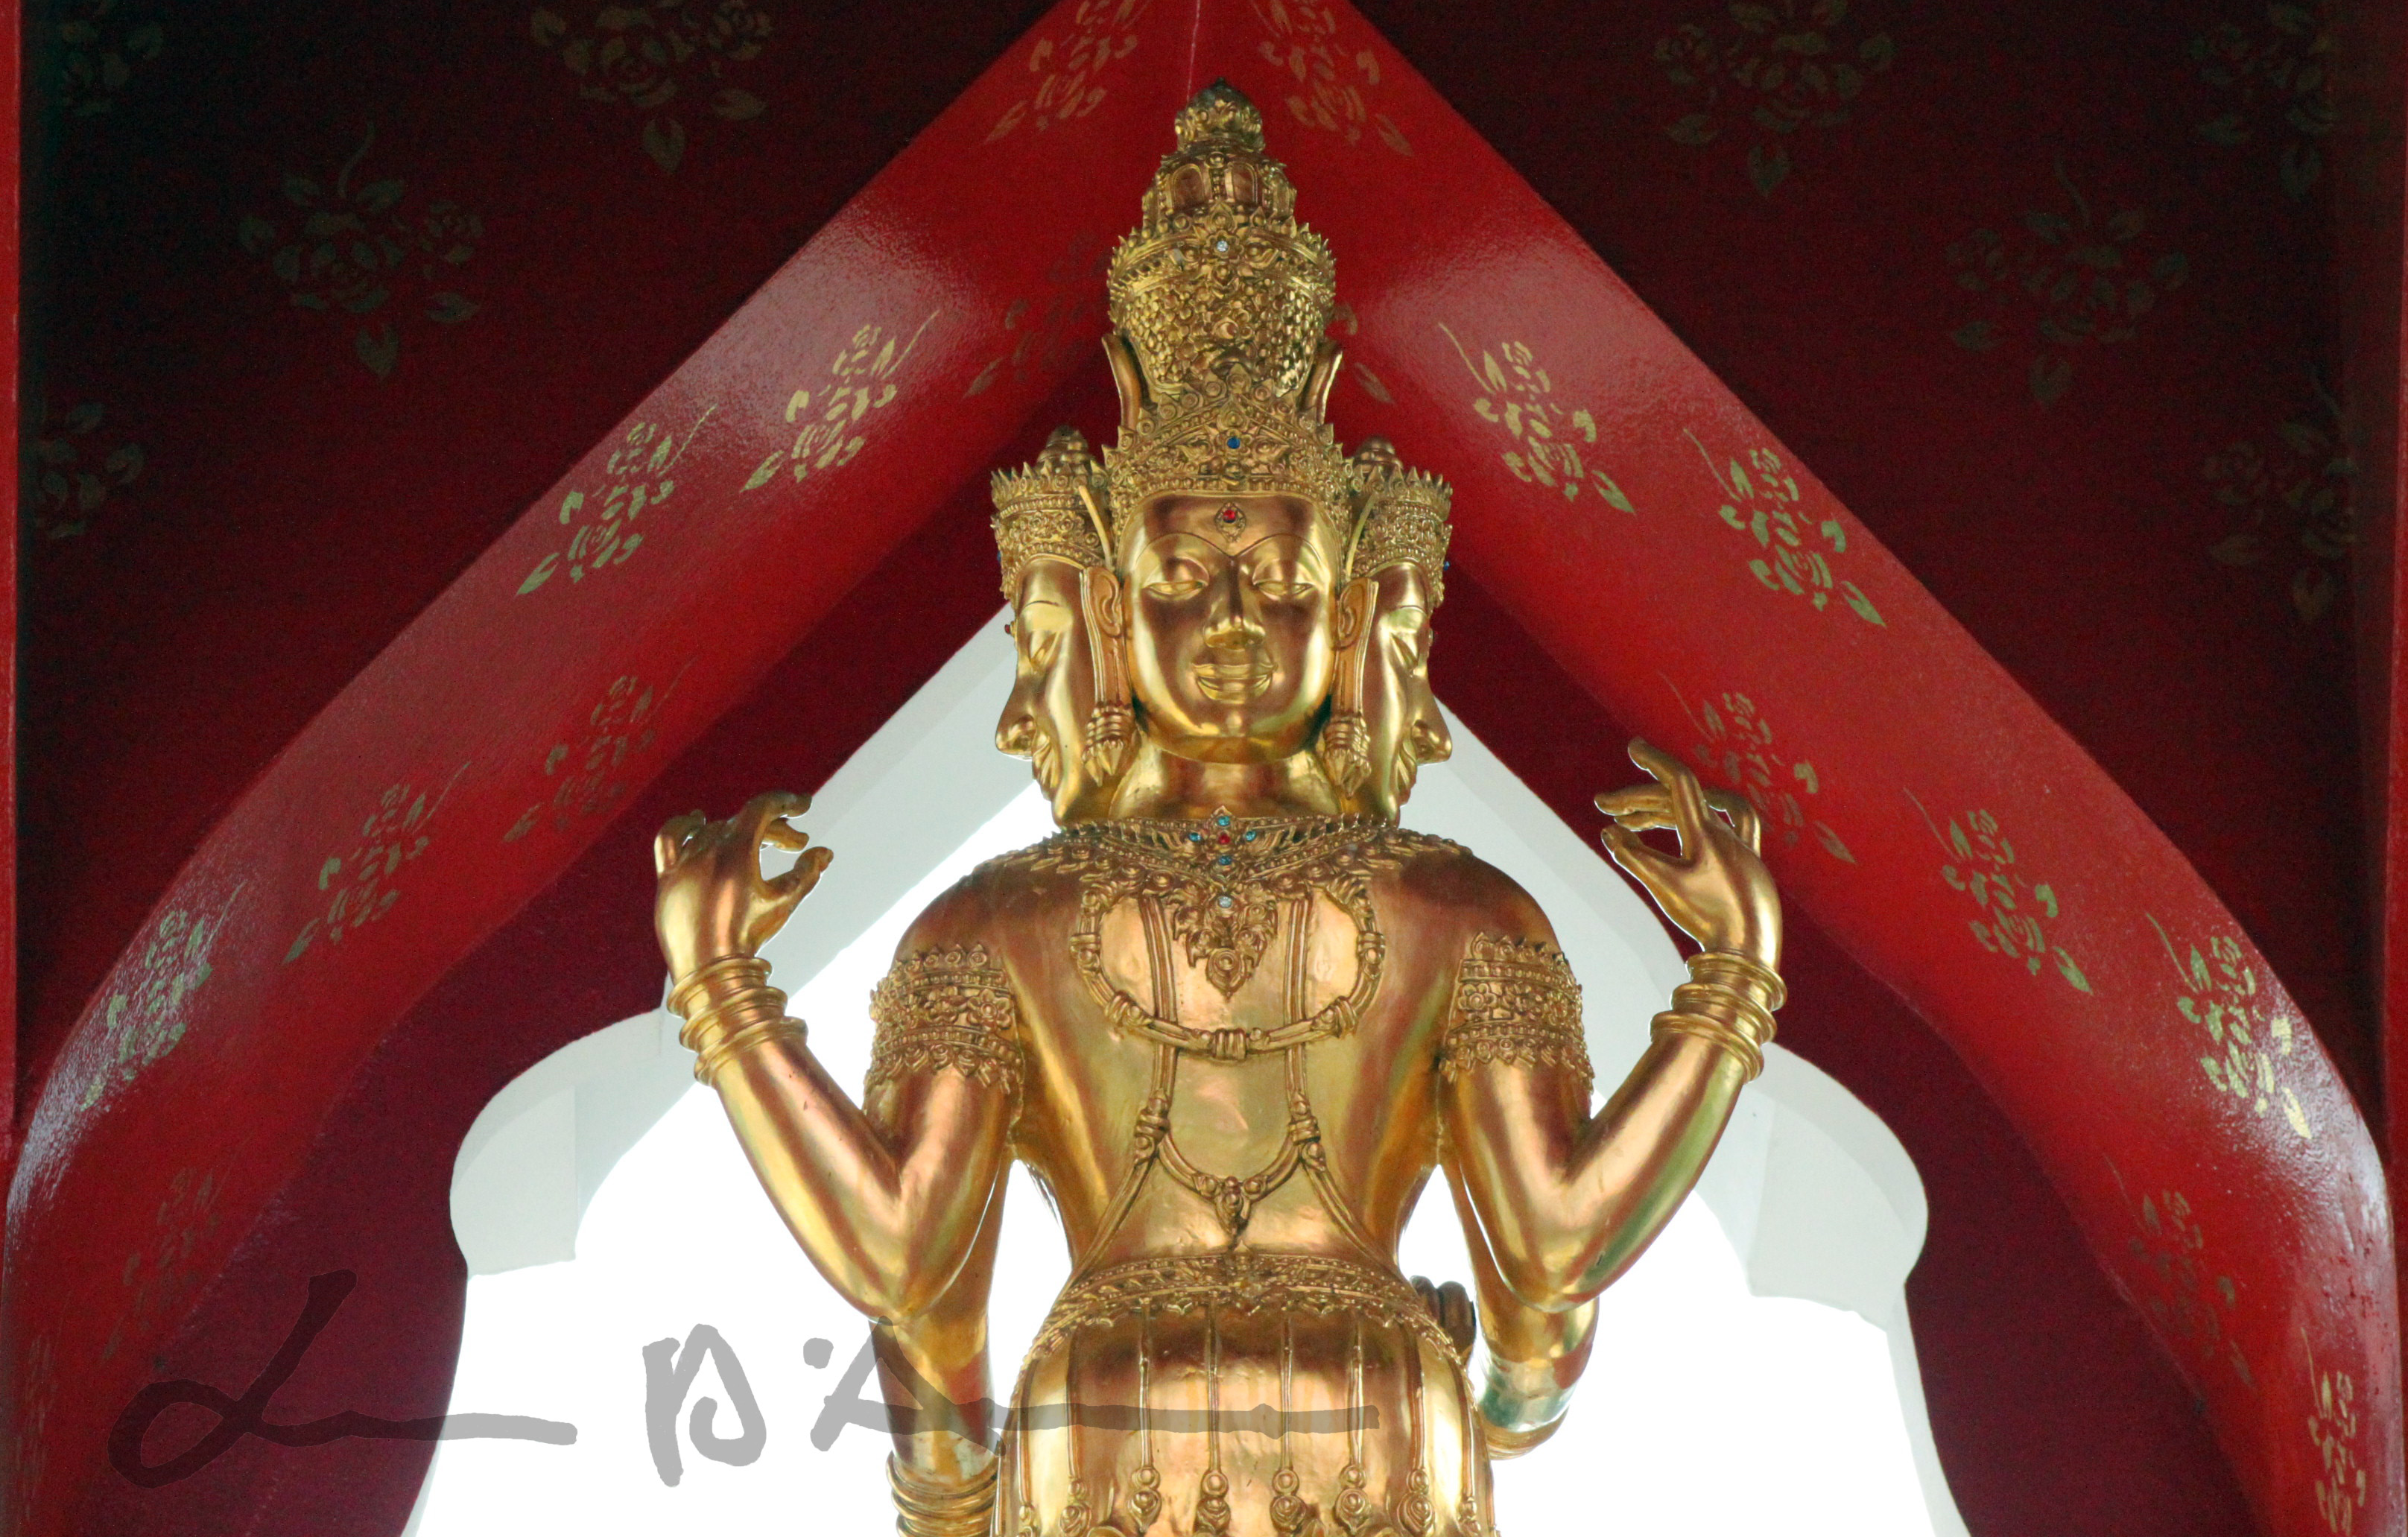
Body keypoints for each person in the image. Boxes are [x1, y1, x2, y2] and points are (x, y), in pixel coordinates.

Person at [651, 85, 1782, 1537]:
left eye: (1283, 583)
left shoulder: (1439, 914)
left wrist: (723, 994)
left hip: (1155, 1428)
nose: (1234, 622)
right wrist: (1730, 988)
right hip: (1332, 1423)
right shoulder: (1023, 927)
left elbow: (912, 1290)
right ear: (1105, 617)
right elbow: (910, 1258)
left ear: (1356, 613)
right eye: (1183, 580)